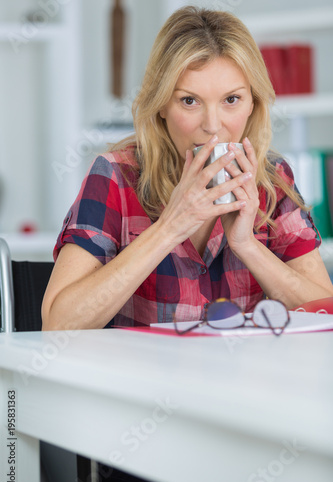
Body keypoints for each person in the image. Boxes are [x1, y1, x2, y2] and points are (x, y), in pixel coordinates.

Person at [42, 5, 333, 332]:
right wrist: (169, 228)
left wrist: (248, 247)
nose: (212, 126)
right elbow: (57, 324)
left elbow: (325, 312)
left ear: (253, 104)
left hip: (246, 381)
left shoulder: (272, 180)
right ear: (162, 105)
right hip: (143, 381)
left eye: (231, 100)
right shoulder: (116, 176)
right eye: (189, 101)